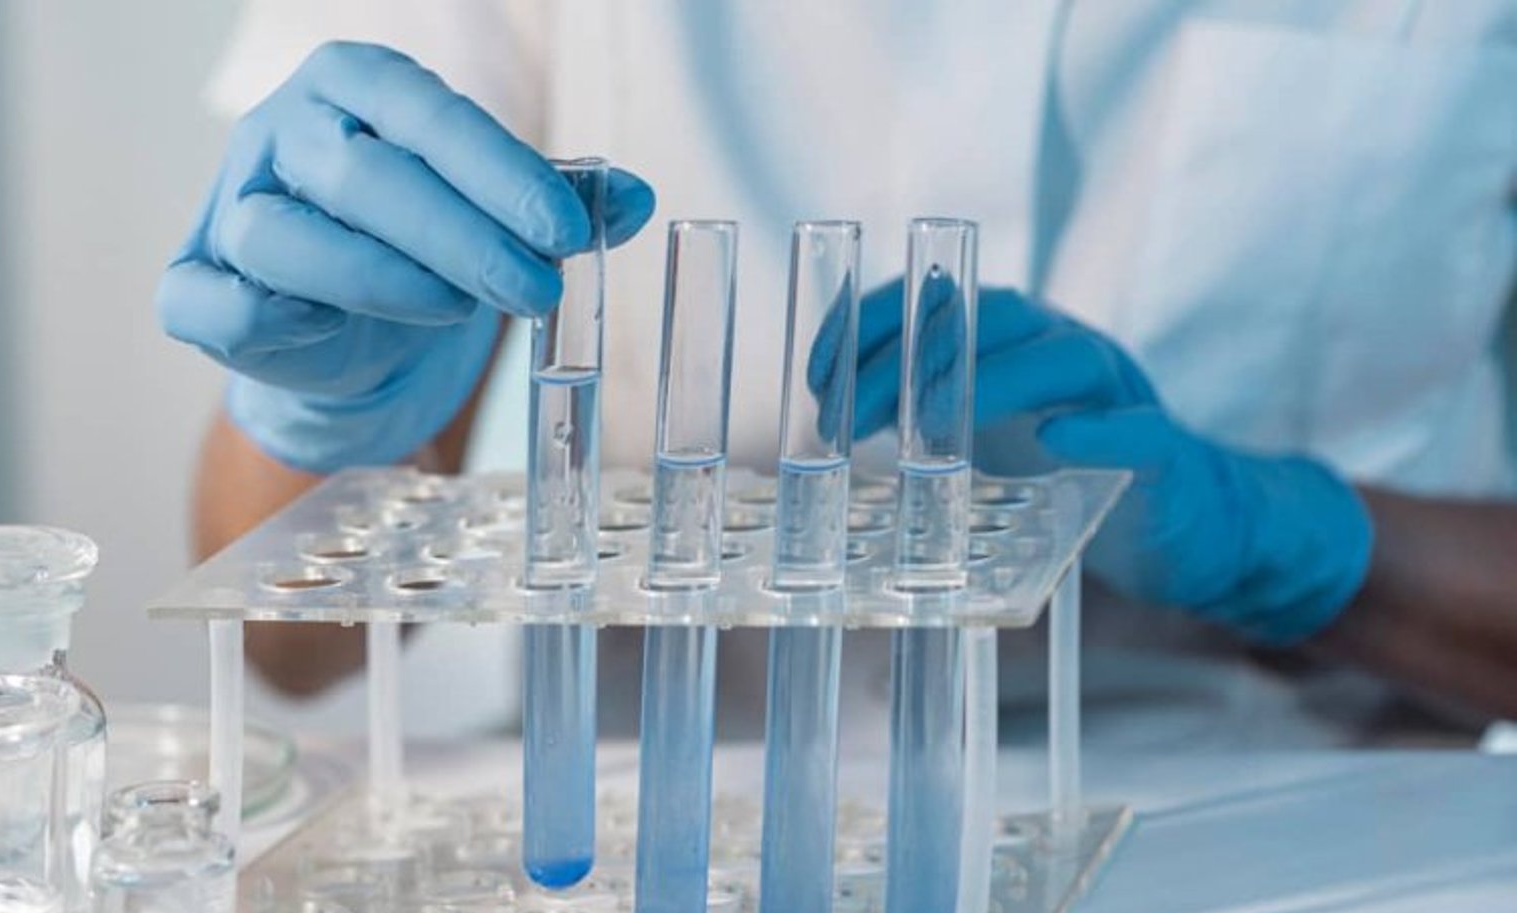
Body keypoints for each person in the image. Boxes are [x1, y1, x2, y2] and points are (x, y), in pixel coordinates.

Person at [164, 1, 1517, 745]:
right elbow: (288, 648)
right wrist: (328, 418)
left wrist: (1305, 547)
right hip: (660, 864)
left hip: (1319, 877)